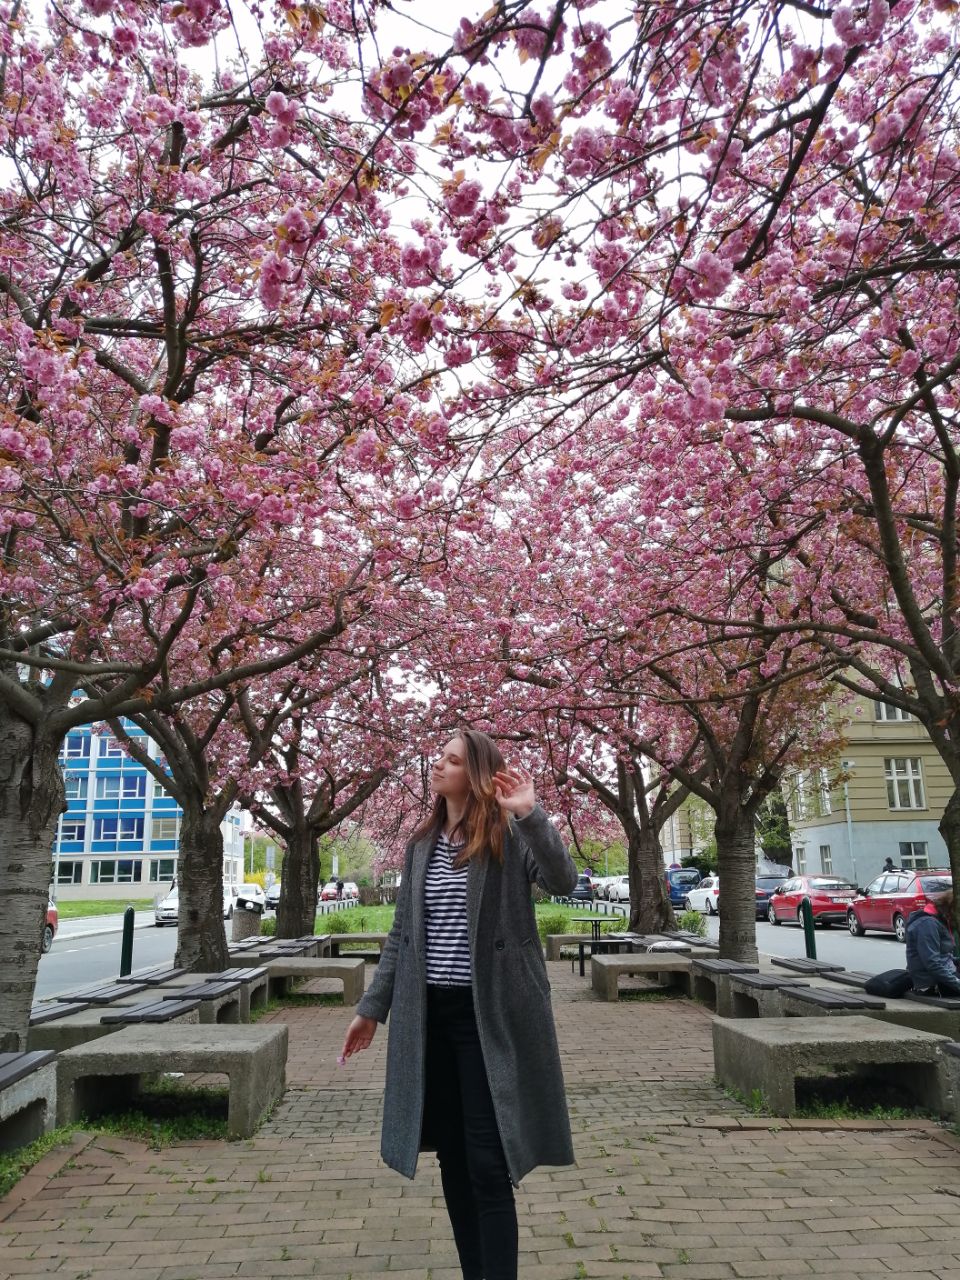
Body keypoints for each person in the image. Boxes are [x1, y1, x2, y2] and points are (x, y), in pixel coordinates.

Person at [339, 729, 578, 1280]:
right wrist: (372, 1008)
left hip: (487, 1016)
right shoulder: (421, 844)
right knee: (451, 1156)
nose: (437, 767)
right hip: (430, 1020)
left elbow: (564, 882)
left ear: (474, 774)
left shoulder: (507, 835)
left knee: (488, 1164)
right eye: (438, 758)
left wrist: (530, 814)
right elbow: (403, 935)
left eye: (450, 760)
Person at [905, 889, 960, 996]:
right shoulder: (928, 924)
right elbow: (932, 963)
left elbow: (942, 956)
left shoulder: (939, 920)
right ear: (952, 909)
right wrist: (958, 984)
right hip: (932, 983)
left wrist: (956, 961)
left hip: (945, 975)